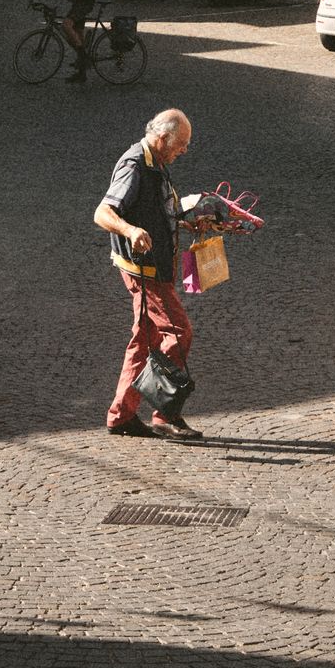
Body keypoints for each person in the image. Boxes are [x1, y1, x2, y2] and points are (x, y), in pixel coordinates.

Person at [93, 107, 202, 441]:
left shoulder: (156, 163)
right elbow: (103, 212)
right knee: (178, 331)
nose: (183, 151)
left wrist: (184, 221)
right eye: (180, 144)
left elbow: (155, 209)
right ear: (162, 137)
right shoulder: (134, 166)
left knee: (145, 340)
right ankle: (164, 414)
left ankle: (121, 415)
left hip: (155, 266)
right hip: (145, 271)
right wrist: (130, 231)